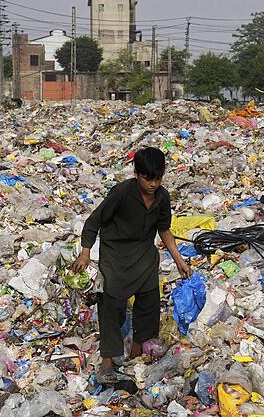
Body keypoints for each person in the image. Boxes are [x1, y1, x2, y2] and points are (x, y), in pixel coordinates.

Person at [72, 146, 191, 383]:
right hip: (116, 257)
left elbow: (164, 230)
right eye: (148, 178)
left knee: (148, 307)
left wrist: (179, 261)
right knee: (111, 308)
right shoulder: (122, 192)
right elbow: (93, 222)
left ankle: (135, 357)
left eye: (157, 179)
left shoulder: (162, 197)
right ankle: (107, 363)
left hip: (145, 257)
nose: (153, 184)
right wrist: (85, 254)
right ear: (137, 173)